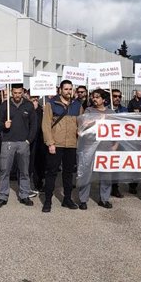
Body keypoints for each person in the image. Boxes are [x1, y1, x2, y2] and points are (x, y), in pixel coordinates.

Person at [41, 79, 83, 212]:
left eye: (70, 89)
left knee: (68, 173)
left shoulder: (77, 105)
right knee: (51, 172)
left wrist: (80, 131)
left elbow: (81, 123)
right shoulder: (51, 104)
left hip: (71, 144)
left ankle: (67, 199)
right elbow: (46, 125)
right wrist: (50, 142)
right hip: (56, 144)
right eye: (66, 89)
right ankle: (47, 201)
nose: (68, 91)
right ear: (60, 90)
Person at [0, 84, 37, 208]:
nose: (17, 95)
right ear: (11, 92)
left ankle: (24, 195)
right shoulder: (5, 105)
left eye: (19, 93)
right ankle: (2, 196)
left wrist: (29, 140)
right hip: (8, 142)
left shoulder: (28, 105)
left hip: (23, 143)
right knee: (4, 171)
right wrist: (4, 125)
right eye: (15, 93)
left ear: (23, 92)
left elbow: (34, 124)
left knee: (24, 171)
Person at [79, 89, 118, 209]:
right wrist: (97, 119)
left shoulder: (111, 112)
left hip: (106, 147)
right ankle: (83, 199)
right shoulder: (89, 110)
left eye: (97, 97)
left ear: (104, 99)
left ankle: (104, 199)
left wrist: (115, 144)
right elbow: (84, 125)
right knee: (87, 173)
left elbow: (117, 130)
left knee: (106, 175)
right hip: (90, 147)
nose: (94, 99)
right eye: (93, 97)